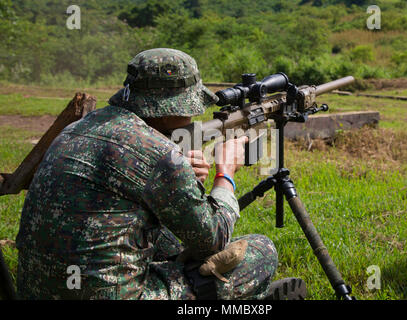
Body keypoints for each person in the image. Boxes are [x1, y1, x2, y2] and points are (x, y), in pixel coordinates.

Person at [15, 48, 305, 300]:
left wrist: (180, 178)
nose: (193, 115)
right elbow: (213, 238)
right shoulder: (157, 151)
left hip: (37, 288)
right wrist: (225, 173)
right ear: (167, 108)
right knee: (260, 253)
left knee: (172, 237)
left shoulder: (78, 128)